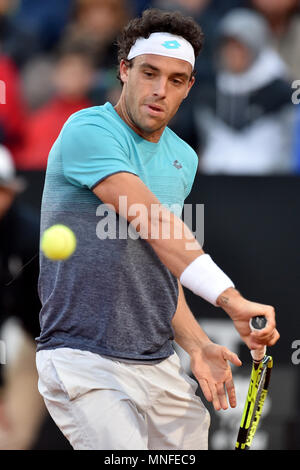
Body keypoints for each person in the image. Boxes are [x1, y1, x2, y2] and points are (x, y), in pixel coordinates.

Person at [36, 8, 279, 450]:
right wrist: (231, 299)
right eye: (149, 72)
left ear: (189, 87)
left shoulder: (183, 159)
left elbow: (158, 264)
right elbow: (150, 220)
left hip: (159, 364)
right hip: (83, 357)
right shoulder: (86, 130)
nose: (159, 90)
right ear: (124, 70)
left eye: (175, 79)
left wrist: (198, 343)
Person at [195, 8, 293, 175]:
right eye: (227, 46)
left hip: (270, 182)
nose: (232, 54)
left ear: (255, 46)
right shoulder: (208, 90)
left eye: (239, 47)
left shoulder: (282, 93)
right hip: (217, 182)